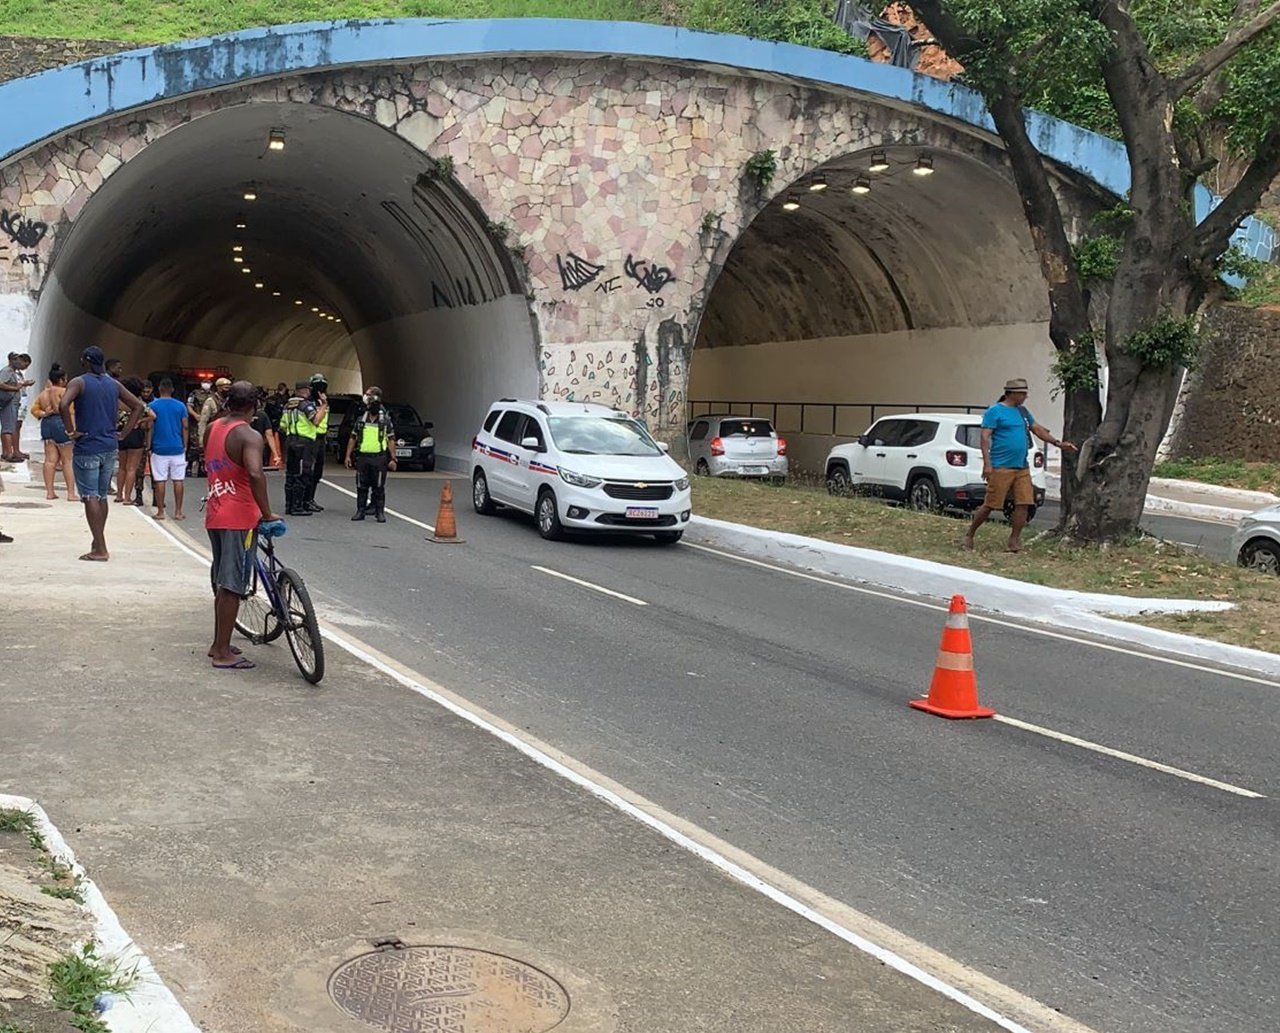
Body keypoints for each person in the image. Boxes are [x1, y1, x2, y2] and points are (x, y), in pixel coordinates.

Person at [204, 381, 280, 670]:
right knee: (234, 584)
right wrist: (268, 513)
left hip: (215, 510)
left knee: (223, 580)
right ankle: (223, 651)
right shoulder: (249, 435)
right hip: (239, 516)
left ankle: (217, 642)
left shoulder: (214, 427)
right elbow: (255, 472)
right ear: (255, 406)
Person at [963, 377, 1077, 554]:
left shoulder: (1022, 412)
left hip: (1021, 466)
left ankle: (1014, 541)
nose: (1025, 397)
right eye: (1022, 394)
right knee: (991, 504)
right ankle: (970, 534)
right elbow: (985, 437)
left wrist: (1057, 443)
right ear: (1011, 393)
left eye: (1025, 393)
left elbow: (1037, 428)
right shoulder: (995, 411)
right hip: (1001, 466)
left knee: (1024, 503)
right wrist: (987, 464)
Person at [59, 345, 145, 562]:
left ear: (86, 362)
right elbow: (138, 406)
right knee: (101, 495)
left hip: (87, 445)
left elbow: (63, 404)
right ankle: (97, 541)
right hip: (109, 446)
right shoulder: (113, 384)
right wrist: (124, 433)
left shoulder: (79, 382)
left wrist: (71, 431)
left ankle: (100, 548)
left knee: (89, 497)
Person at [344, 387, 397, 522]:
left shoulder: (384, 420)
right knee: (361, 486)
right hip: (362, 457)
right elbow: (353, 437)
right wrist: (348, 456)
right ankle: (360, 511)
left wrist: (393, 458)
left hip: (378, 458)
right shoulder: (361, 419)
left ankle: (379, 512)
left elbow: (391, 439)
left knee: (378, 486)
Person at [30, 364, 78, 501]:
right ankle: (70, 493)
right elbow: (71, 412)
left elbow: (34, 410)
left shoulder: (44, 393)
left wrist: (45, 413)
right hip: (62, 423)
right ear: (62, 379)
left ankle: (50, 492)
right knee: (67, 460)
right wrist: (73, 429)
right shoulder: (64, 392)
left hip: (47, 424)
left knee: (50, 460)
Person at [279, 380, 325, 516]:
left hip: (290, 440)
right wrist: (324, 405)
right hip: (304, 443)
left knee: (290, 474)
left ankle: (289, 505)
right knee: (302, 474)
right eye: (309, 390)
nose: (310, 392)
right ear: (304, 390)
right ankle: (297, 507)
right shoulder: (305, 404)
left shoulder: (288, 404)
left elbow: (282, 425)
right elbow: (316, 420)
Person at [147, 378, 188, 521]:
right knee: (178, 480)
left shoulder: (152, 405)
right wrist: (185, 445)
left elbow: (150, 427)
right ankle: (178, 512)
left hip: (159, 449)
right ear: (172, 390)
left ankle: (160, 512)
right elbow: (185, 426)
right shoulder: (181, 406)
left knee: (160, 480)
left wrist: (148, 445)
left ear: (159, 389)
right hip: (177, 448)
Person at [115, 376, 151, 505]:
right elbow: (153, 416)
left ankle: (119, 495)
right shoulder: (139, 403)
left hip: (121, 434)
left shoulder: (118, 402)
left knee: (122, 467)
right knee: (132, 468)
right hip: (135, 435)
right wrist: (140, 421)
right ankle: (127, 497)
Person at [303, 372, 330, 513]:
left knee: (318, 471)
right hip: (312, 438)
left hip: (321, 439)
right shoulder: (310, 403)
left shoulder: (324, 401)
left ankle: (311, 498)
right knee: (309, 471)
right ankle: (305, 499)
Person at [0, 352, 34, 462]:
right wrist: (14, 388)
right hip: (9, 402)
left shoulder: (14, 372)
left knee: (9, 427)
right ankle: (9, 454)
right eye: (17, 360)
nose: (19, 363)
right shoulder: (7, 371)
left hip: (13, 402)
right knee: (8, 428)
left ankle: (8, 453)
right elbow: (0, 383)